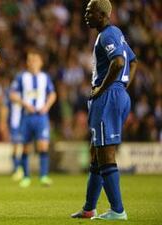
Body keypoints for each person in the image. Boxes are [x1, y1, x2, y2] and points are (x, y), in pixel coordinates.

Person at [71, 0, 137, 220]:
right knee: (96, 152)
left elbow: (118, 62)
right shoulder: (117, 33)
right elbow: (133, 61)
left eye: (90, 12)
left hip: (108, 97)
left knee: (106, 153)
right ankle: (89, 208)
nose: (86, 14)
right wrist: (123, 86)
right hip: (117, 94)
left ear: (102, 14)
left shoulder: (108, 34)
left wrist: (103, 89)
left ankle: (118, 210)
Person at [10, 49, 57, 188]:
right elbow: (12, 95)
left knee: (43, 146)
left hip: (41, 117)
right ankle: (26, 177)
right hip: (27, 117)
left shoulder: (45, 77)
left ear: (41, 63)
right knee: (26, 148)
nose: (32, 63)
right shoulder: (21, 77)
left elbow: (53, 94)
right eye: (30, 60)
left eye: (35, 60)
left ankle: (43, 176)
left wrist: (46, 107)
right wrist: (25, 104)